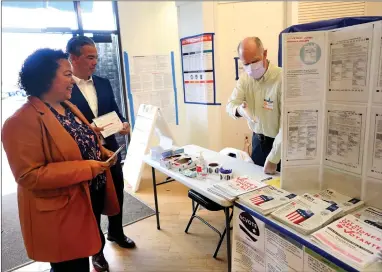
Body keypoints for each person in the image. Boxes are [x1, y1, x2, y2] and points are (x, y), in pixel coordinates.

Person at [1, 48, 120, 272]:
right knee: (69, 266)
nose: (72, 81)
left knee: (84, 254)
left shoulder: (68, 106)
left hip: (87, 197)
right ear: (46, 79)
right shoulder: (20, 121)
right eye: (67, 74)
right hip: (61, 210)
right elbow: (29, 175)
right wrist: (87, 167)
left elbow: (77, 142)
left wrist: (99, 151)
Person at [66, 36, 135, 271]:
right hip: (85, 156)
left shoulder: (104, 82)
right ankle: (97, 250)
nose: (95, 61)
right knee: (93, 203)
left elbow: (115, 111)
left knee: (117, 192)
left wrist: (124, 123)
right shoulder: (65, 90)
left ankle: (117, 232)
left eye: (96, 56)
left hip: (112, 151)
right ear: (73, 58)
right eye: (90, 57)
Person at [226, 37, 282, 174]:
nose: (251, 67)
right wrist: (239, 110)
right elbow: (230, 105)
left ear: (265, 53)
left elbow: (288, 125)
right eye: (246, 64)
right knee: (258, 188)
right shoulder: (245, 78)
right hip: (257, 142)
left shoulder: (282, 78)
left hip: (280, 146)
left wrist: (274, 158)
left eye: (255, 61)